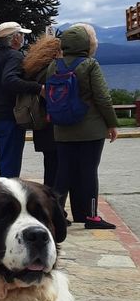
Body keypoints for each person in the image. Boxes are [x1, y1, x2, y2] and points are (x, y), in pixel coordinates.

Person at [47, 24, 118, 229]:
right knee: (89, 172)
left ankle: (56, 214)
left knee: (63, 173)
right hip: (90, 129)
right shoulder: (90, 64)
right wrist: (112, 123)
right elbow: (103, 97)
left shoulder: (54, 66)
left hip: (62, 129)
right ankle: (91, 216)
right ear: (86, 44)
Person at [0, 21, 42, 178]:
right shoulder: (15, 56)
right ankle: (8, 197)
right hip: (10, 115)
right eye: (22, 35)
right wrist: (38, 88)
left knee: (4, 159)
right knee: (11, 163)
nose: (23, 38)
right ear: (15, 38)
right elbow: (9, 80)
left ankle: (4, 193)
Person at [22, 35, 62, 188]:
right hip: (51, 126)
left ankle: (50, 202)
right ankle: (54, 206)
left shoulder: (35, 70)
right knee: (56, 170)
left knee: (50, 167)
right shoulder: (51, 71)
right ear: (55, 53)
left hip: (42, 126)